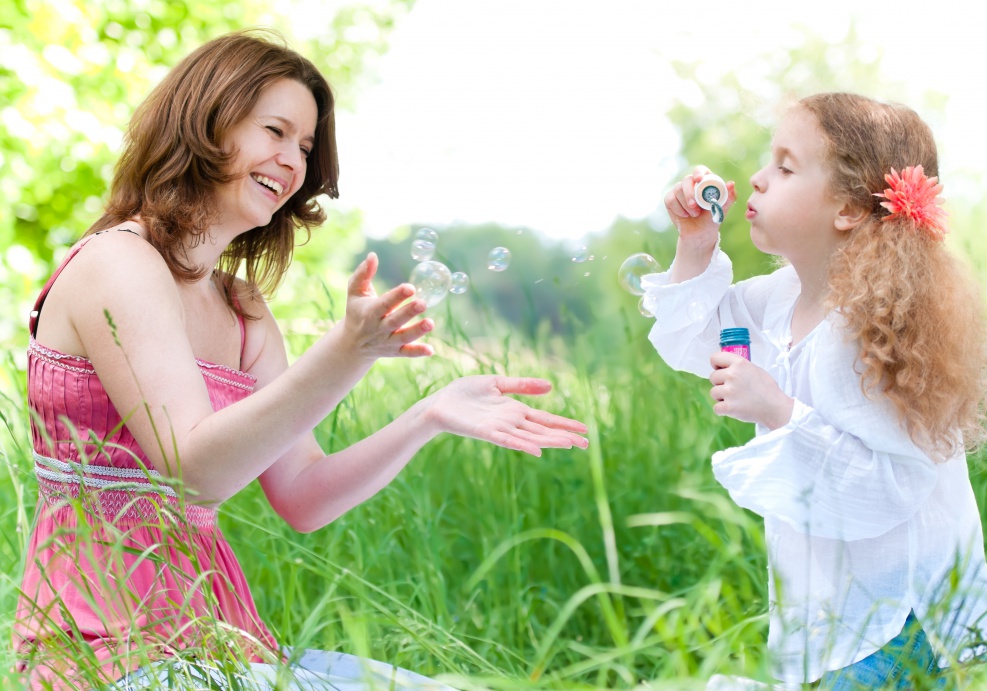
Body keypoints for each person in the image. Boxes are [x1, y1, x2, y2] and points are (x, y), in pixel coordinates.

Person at [14, 30, 588, 690]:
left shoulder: (240, 307)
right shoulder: (120, 262)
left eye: (306, 147)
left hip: (220, 647)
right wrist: (346, 354)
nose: (291, 162)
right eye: (275, 131)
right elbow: (195, 470)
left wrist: (428, 415)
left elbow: (304, 495)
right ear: (206, 119)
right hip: (102, 652)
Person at [643, 92, 987, 689]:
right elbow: (692, 336)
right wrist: (695, 244)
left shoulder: (873, 333)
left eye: (785, 167)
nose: (757, 180)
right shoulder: (780, 300)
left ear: (848, 208)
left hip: (910, 624)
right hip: (837, 616)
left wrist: (778, 411)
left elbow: (888, 485)